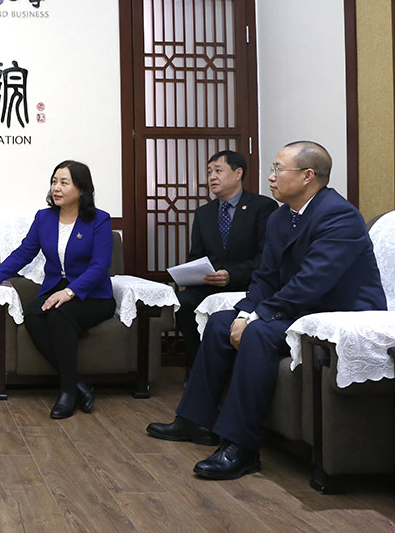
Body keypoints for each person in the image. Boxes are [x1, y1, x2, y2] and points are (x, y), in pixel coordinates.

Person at [147, 141, 386, 480]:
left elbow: (311, 283)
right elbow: (265, 276)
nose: (271, 177)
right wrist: (245, 311)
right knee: (220, 322)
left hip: (338, 313)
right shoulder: (280, 217)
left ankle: (241, 448)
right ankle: (195, 421)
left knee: (257, 333)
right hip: (301, 309)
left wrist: (256, 317)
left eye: (278, 169)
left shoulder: (338, 215)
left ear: (307, 176)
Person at [0, 160, 116, 419]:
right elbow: (24, 252)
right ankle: (79, 384)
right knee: (34, 315)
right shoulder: (44, 218)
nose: (56, 188)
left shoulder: (99, 220)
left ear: (81, 189)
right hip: (55, 288)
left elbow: (99, 266)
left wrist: (70, 292)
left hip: (93, 295)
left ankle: (67, 392)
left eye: (64, 183)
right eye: (54, 182)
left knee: (59, 315)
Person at [175, 150, 277, 376]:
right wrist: (194, 273)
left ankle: (232, 370)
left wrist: (232, 275)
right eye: (209, 172)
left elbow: (266, 257)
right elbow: (196, 255)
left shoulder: (263, 207)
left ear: (238, 173)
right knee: (182, 304)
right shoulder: (204, 213)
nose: (212, 177)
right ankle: (197, 368)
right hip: (210, 286)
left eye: (218, 171)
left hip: (249, 284)